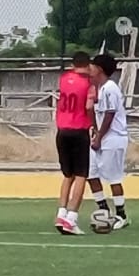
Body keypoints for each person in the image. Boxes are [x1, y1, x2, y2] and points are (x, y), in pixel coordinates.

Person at [87, 53, 130, 229]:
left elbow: (109, 114)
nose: (89, 70)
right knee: (90, 174)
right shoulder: (99, 88)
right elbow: (95, 112)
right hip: (101, 137)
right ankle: (103, 210)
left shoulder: (111, 88)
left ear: (99, 69)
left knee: (113, 177)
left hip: (113, 138)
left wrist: (99, 137)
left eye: (92, 66)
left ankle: (121, 215)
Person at [54, 51, 94, 235]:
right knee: (81, 175)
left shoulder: (64, 79)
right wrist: (93, 123)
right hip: (79, 130)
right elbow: (88, 106)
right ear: (88, 64)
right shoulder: (88, 83)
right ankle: (71, 218)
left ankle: (61, 214)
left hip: (62, 130)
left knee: (67, 175)